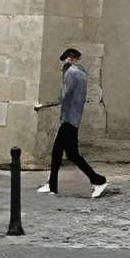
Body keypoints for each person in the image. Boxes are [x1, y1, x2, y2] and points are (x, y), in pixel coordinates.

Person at [38, 47, 110, 198]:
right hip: (73, 118)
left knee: (67, 154)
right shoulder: (82, 73)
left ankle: (99, 180)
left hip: (68, 119)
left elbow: (64, 96)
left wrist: (44, 105)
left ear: (70, 59)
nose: (66, 62)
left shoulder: (71, 73)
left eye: (67, 59)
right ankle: (52, 185)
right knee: (66, 153)